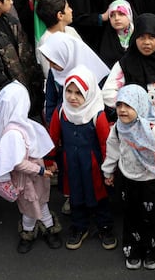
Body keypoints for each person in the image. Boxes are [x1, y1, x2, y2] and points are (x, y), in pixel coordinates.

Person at [103, 84, 155, 270]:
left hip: (149, 182)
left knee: (151, 218)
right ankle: (133, 249)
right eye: (119, 105)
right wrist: (108, 171)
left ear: (140, 105)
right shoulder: (118, 128)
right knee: (130, 216)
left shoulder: (153, 129)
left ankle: (153, 250)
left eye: (128, 105)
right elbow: (112, 149)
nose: (122, 110)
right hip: (127, 179)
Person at [47, 66, 114, 251]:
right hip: (70, 163)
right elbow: (52, 137)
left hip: (93, 165)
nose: (72, 97)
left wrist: (109, 170)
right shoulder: (61, 111)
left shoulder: (97, 114)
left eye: (79, 92)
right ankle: (79, 227)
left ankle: (105, 227)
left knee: (99, 195)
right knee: (75, 195)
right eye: (68, 91)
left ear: (89, 92)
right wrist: (49, 160)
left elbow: (106, 144)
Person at [0, 81, 62, 253]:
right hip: (29, 178)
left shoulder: (19, 125)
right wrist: (41, 170)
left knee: (40, 203)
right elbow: (17, 162)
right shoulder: (14, 132)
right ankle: (33, 232)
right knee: (30, 207)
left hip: (33, 177)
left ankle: (42, 230)